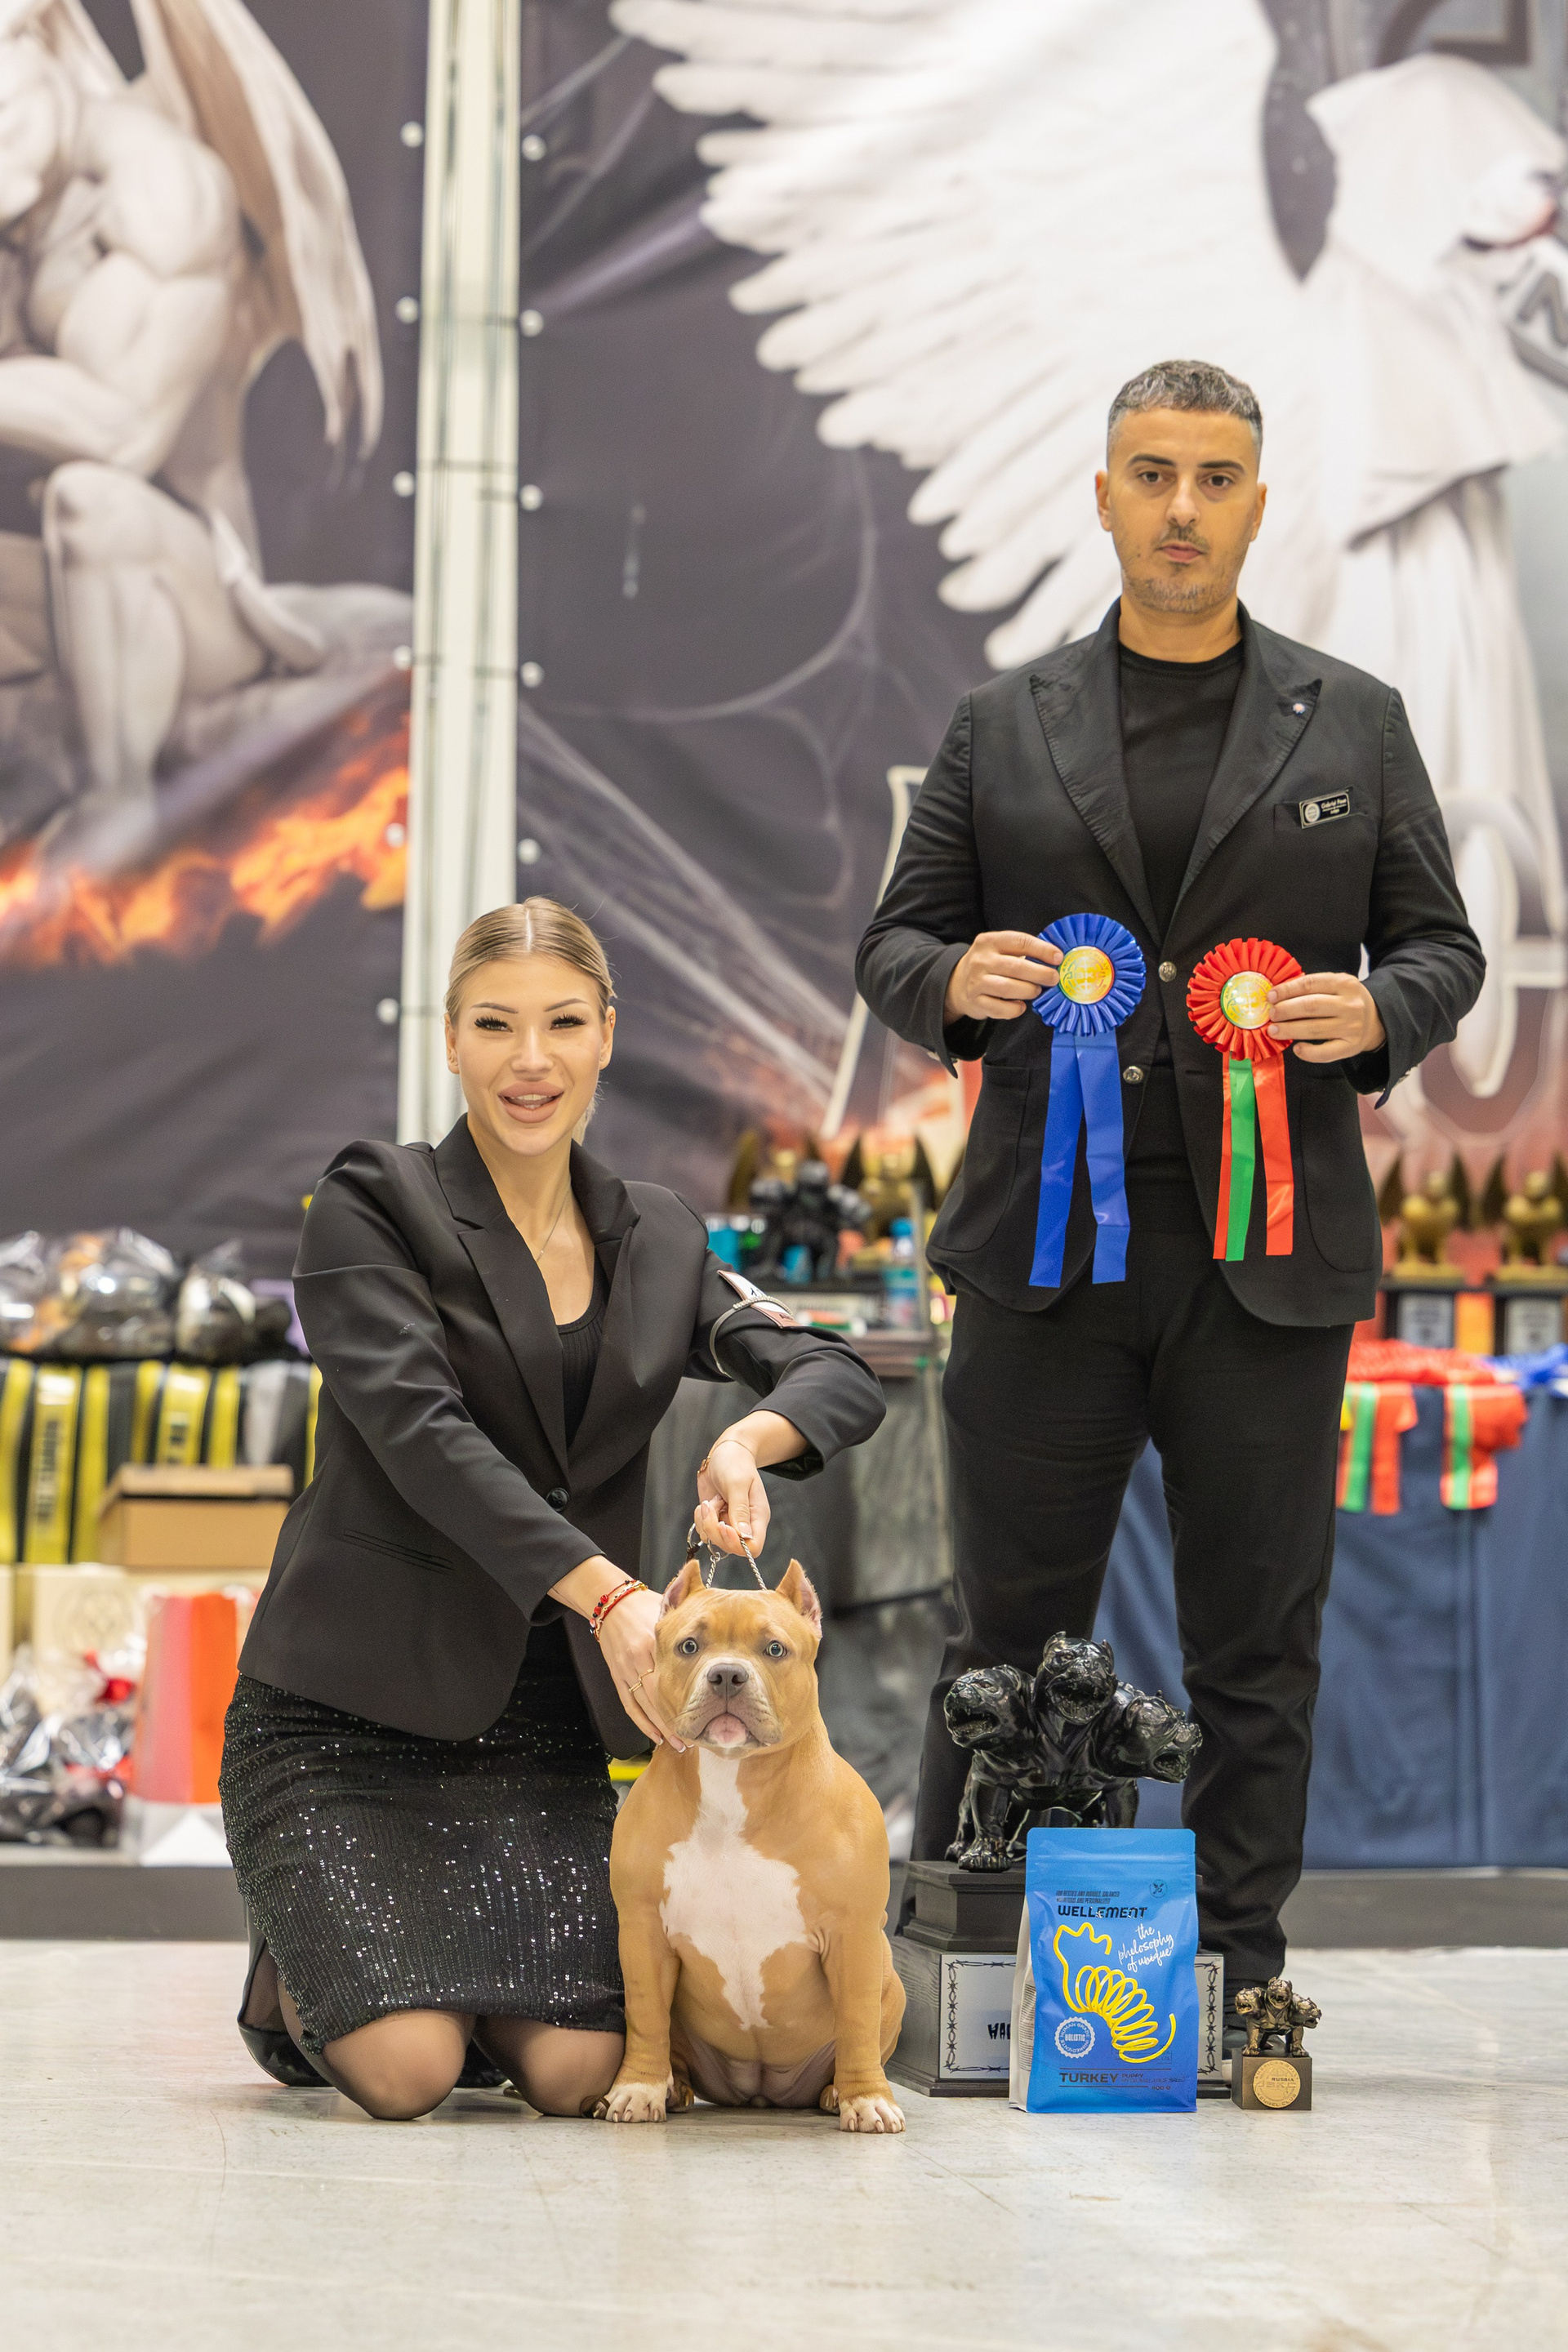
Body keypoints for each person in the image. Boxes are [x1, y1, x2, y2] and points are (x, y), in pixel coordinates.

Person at [855, 359, 1483, 2007]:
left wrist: (1386, 1012)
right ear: (1105, 497)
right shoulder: (1002, 723)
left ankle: (1233, 1976)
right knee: (1003, 1643)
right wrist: (954, 983)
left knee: (1258, 1649)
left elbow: (1443, 946)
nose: (1183, 509)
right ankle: (975, 1974)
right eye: (1153, 475)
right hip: (1042, 1255)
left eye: (1214, 479)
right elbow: (896, 942)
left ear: (1258, 505)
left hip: (1265, 1266)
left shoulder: (1356, 722)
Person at [221, 898, 884, 2121]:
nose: (531, 1060)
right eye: (496, 1025)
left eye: (564, 1024)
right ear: (451, 1041)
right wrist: (613, 1593)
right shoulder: (374, 1202)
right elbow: (424, 1438)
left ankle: (427, 1984)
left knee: (583, 2075)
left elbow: (834, 1369)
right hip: (350, 1715)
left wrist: (748, 1436)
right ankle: (301, 1966)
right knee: (409, 2077)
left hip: (538, 1733)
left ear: (607, 1036)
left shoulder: (660, 1236)